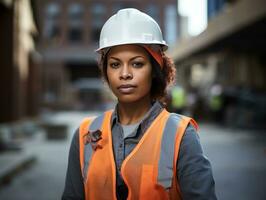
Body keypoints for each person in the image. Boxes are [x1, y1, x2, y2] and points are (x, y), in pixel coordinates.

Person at [62, 8, 216, 200]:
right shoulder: (86, 134)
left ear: (154, 68)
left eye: (137, 64)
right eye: (115, 64)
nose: (124, 74)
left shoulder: (180, 135)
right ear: (106, 71)